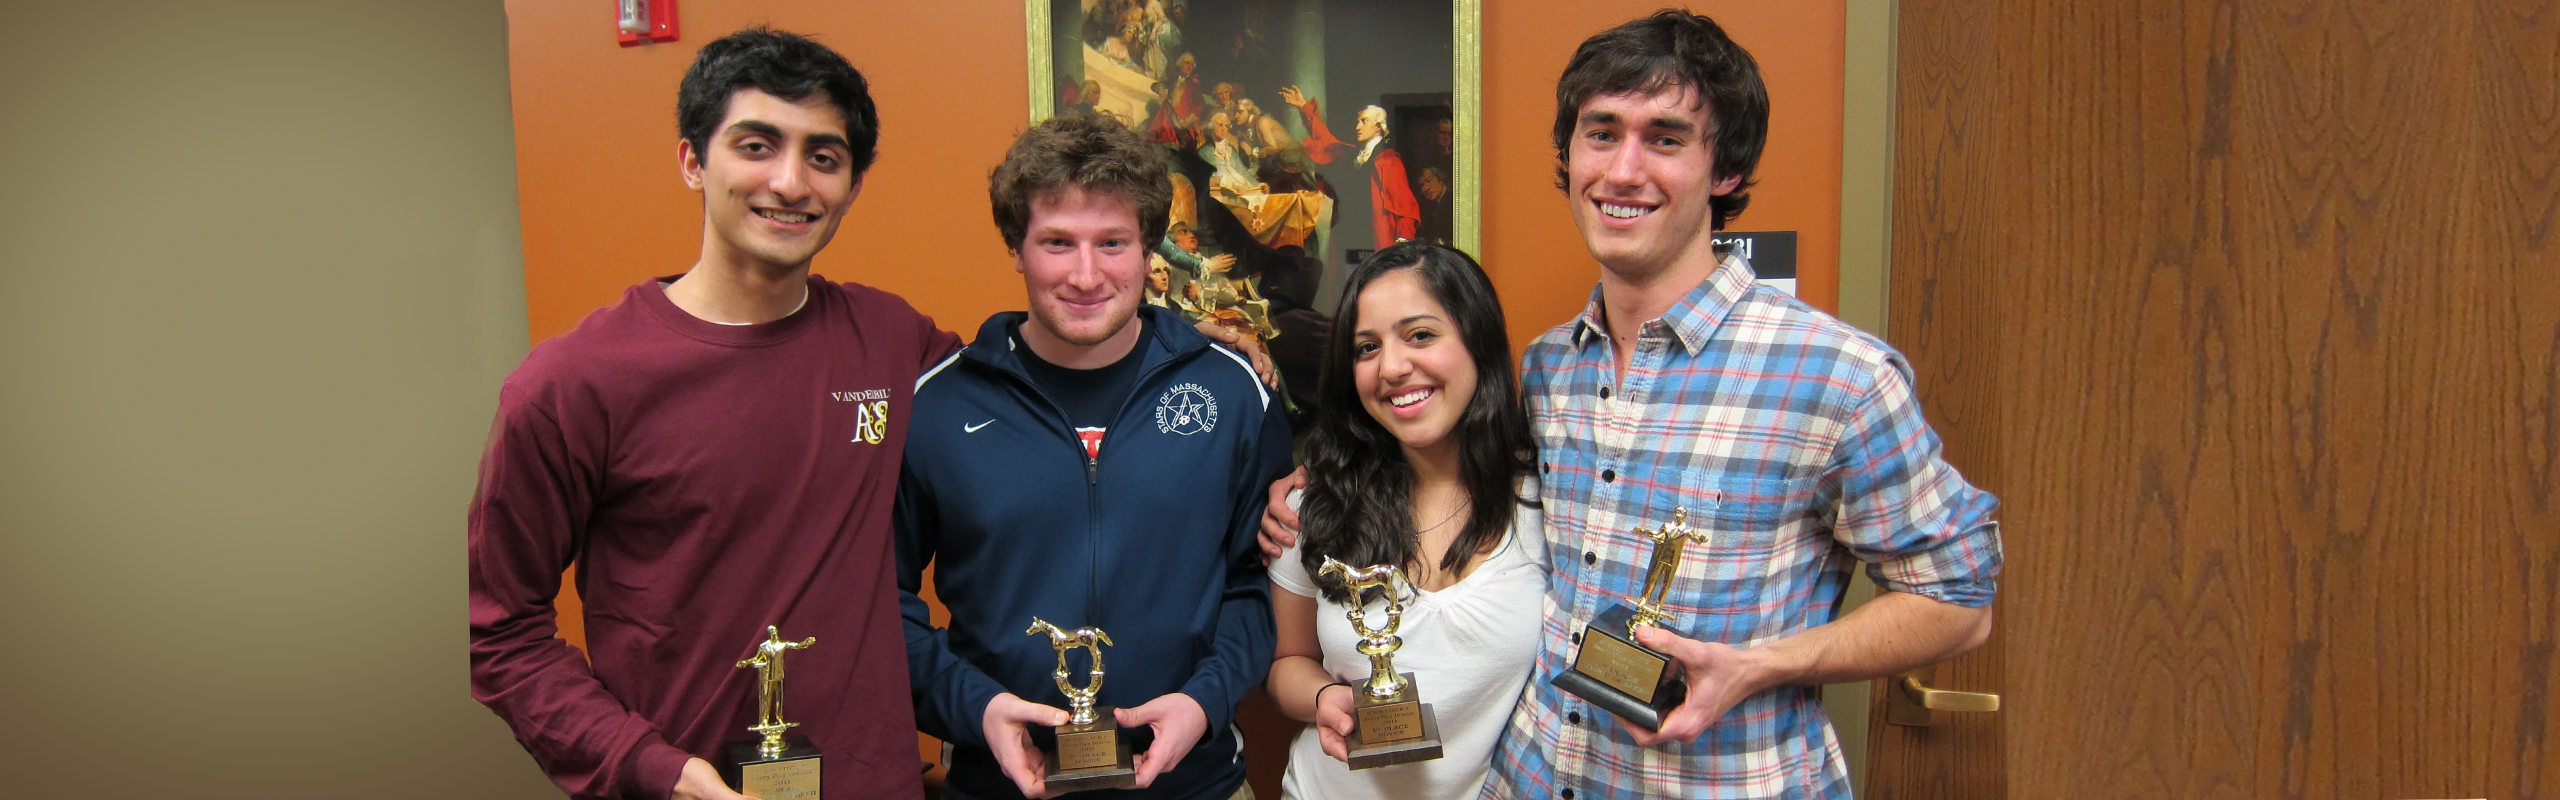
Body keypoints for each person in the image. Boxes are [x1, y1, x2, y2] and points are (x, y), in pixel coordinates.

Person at [1260, 10, 2004, 799]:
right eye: (1602, 133)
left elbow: (1958, 600)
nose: (1622, 170)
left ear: (1726, 170)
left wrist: (1758, 666)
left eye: (1667, 138)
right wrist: (1313, 488)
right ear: (1572, 155)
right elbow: (1426, 461)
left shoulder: (1836, 377)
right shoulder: (1547, 371)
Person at [468, 28, 960, 800]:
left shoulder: (893, 342)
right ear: (693, 161)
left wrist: (1199, 345)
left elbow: (1045, 386)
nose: (791, 183)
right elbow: (500, 634)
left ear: (853, 186)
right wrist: (656, 770)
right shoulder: (571, 384)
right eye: (757, 145)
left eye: (824, 157)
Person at [896, 110, 1295, 800]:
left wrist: (1204, 701)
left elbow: (1257, 586)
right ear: (1015, 248)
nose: (1086, 275)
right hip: (999, 786)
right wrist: (973, 706)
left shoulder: (1233, 391)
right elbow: (882, 598)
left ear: (1150, 251)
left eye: (1113, 242)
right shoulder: (937, 404)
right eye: (1057, 242)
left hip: (1194, 783)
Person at [1265, 243, 1547, 799]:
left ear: (1477, 340)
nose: (1392, 367)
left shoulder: (1549, 505)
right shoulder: (1312, 504)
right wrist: (1324, 698)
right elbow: (1288, 662)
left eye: (1420, 335)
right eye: (1366, 348)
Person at [1282, 89, 1422, 248]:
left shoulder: (1387, 161)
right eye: (1358, 122)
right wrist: (1303, 106)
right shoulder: (1350, 154)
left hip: (1375, 237)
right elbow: (1326, 140)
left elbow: (1405, 205)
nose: (1357, 127)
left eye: (1364, 121)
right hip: (1349, 235)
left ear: (1378, 127)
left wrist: (1403, 238)